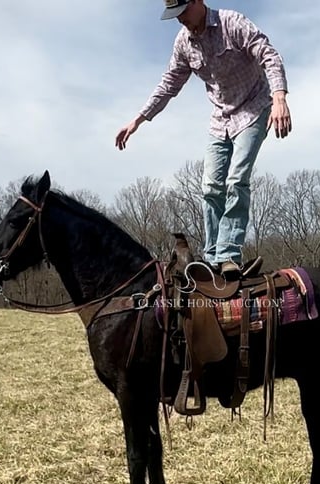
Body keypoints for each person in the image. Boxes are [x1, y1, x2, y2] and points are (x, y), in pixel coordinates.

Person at [115, 0, 292, 277]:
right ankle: (213, 259)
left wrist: (280, 97)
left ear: (198, 1)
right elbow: (169, 84)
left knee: (236, 179)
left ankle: (229, 254)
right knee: (210, 186)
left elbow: (268, 54)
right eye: (174, 16)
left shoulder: (231, 23)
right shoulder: (184, 44)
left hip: (254, 108)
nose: (180, 20)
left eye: (183, 12)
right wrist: (138, 119)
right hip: (221, 119)